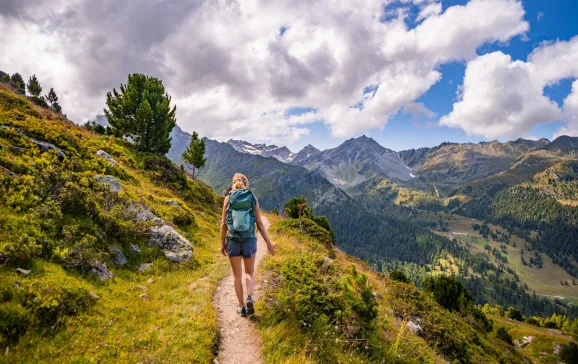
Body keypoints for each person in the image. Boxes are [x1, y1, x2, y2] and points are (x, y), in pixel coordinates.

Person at [220, 173, 275, 317]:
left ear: (233, 183)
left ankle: (242, 307)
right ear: (246, 183)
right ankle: (249, 296)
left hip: (232, 240)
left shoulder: (228, 198)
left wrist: (222, 244)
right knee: (249, 272)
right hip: (249, 239)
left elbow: (223, 224)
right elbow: (260, 224)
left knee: (237, 276)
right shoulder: (253, 199)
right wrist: (268, 243)